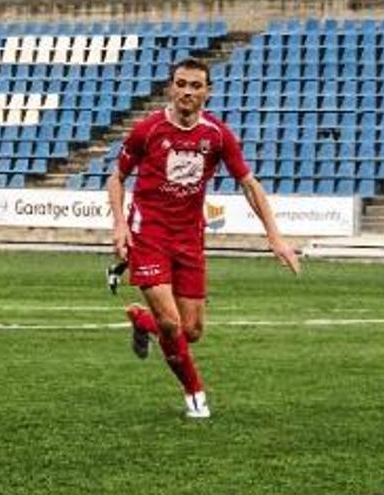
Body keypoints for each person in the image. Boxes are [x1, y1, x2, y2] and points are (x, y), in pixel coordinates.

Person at [106, 58, 301, 419]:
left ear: (207, 92)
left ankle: (141, 320)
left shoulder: (217, 135)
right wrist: (119, 225)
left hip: (189, 237)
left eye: (196, 86)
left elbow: (248, 183)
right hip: (148, 234)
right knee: (171, 323)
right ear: (170, 87)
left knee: (191, 330)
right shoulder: (147, 130)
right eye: (181, 84)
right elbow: (116, 178)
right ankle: (195, 394)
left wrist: (275, 236)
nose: (187, 92)